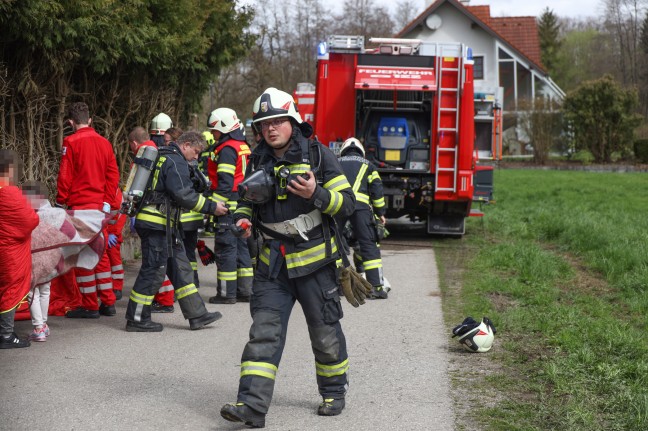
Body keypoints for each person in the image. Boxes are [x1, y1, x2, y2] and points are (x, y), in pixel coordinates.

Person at [220, 88, 355, 427]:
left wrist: (316, 193)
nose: (271, 128)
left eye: (278, 120)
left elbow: (348, 204)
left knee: (325, 334)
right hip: (272, 267)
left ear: (293, 121)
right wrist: (241, 218)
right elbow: (246, 199)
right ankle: (251, 406)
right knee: (263, 333)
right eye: (265, 123)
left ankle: (333, 391)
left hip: (316, 266)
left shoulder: (320, 156)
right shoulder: (257, 158)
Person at [125, 131, 229, 332]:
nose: (197, 157)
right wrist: (211, 207)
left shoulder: (163, 156)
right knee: (153, 270)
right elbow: (184, 195)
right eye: (196, 152)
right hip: (156, 224)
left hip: (164, 225)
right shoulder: (175, 161)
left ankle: (197, 314)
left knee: (181, 267)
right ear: (186, 145)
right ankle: (136, 318)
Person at [56, 101, 120, 319]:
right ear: (90, 120)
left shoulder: (70, 141)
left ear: (71, 122)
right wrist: (108, 203)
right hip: (99, 209)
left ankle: (90, 305)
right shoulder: (104, 143)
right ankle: (109, 302)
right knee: (100, 255)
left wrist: (60, 201)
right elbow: (113, 175)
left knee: (82, 255)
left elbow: (66, 175)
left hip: (80, 208)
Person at [205, 107, 253, 304]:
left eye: (214, 130)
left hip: (228, 207)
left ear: (223, 127)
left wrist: (215, 206)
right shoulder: (243, 146)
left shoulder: (226, 150)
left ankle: (226, 294)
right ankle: (245, 291)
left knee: (226, 250)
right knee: (242, 249)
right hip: (242, 205)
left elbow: (225, 181)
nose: (213, 134)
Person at [128, 126, 176, 312]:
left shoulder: (142, 158)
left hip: (149, 217)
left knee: (153, 264)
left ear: (134, 143)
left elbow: (134, 191)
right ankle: (164, 298)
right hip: (164, 216)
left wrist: (132, 214)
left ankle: (157, 302)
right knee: (159, 262)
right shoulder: (162, 154)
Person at [337, 137, 388, 299]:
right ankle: (376, 288)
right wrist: (380, 212)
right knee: (368, 245)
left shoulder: (336, 162)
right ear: (361, 152)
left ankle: (334, 288)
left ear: (343, 150)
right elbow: (377, 190)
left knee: (333, 245)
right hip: (361, 208)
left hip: (338, 205)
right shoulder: (369, 166)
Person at [0, 150, 40, 348]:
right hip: (10, 251)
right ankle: (6, 335)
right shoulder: (9, 191)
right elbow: (30, 220)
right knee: (11, 289)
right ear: (9, 170)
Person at [22, 181, 54, 342]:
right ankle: (44, 324)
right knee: (45, 290)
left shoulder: (27, 212)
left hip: (33, 256)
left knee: (31, 292)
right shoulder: (50, 212)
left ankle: (38, 327)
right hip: (49, 257)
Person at [107, 187, 127, 301]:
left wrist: (112, 232)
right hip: (105, 233)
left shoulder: (115, 192)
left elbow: (120, 216)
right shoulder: (110, 190)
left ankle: (117, 288)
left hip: (112, 235)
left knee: (115, 263)